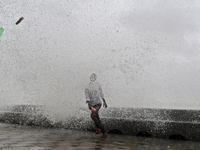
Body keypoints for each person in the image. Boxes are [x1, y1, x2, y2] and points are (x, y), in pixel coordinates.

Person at [85, 73, 108, 138]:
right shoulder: (87, 86)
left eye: (94, 77)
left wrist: (104, 102)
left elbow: (101, 93)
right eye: (92, 77)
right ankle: (104, 132)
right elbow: (87, 96)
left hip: (98, 103)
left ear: (96, 78)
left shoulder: (98, 84)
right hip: (92, 104)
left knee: (93, 115)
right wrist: (89, 104)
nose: (93, 78)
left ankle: (99, 128)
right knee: (96, 117)